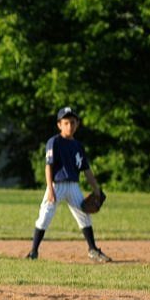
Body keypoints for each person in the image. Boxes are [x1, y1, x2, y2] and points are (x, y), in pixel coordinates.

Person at [25, 107, 110, 262]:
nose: (69, 126)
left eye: (72, 122)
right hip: (56, 185)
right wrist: (50, 189)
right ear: (59, 125)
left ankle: (92, 250)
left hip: (73, 186)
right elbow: (48, 166)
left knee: (84, 216)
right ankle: (33, 252)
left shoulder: (78, 146)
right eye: (66, 123)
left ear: (77, 124)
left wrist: (96, 189)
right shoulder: (54, 142)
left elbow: (87, 170)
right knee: (45, 216)